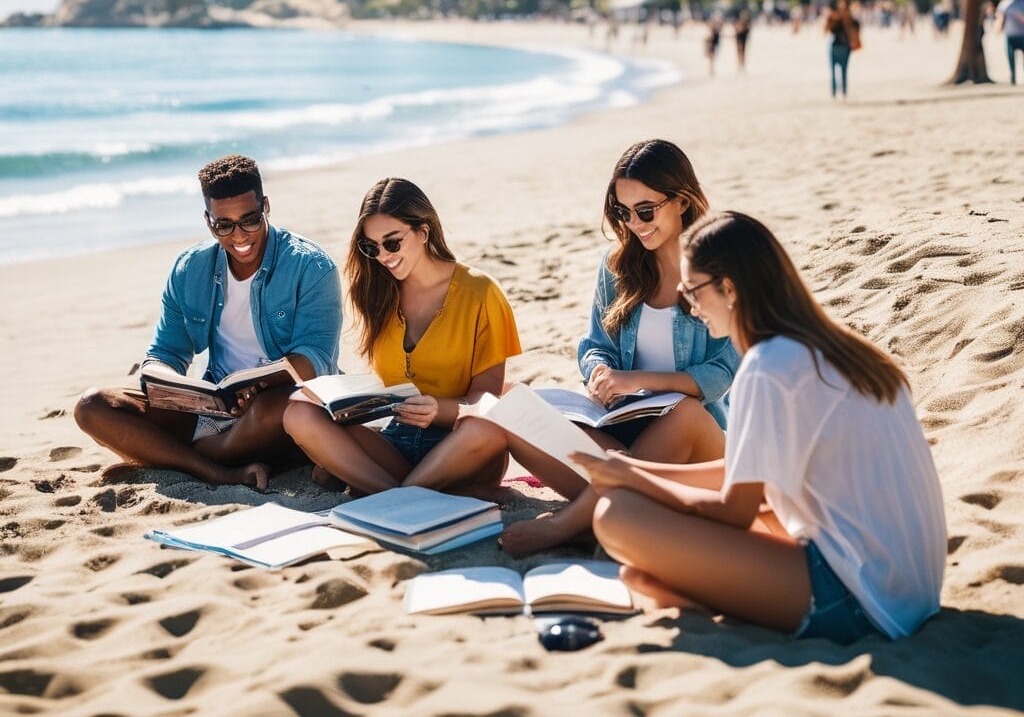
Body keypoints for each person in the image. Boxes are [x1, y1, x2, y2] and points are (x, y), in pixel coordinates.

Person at [575, 211, 946, 644]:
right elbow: (742, 471)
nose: (692, 309)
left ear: (729, 289)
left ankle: (695, 596)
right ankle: (691, 591)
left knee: (618, 516)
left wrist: (634, 480)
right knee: (641, 553)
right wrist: (634, 471)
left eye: (692, 293)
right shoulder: (832, 348)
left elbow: (736, 510)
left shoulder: (769, 366)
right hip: (908, 586)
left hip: (863, 598)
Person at [407, 139, 737, 555]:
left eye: (645, 210)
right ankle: (398, 499)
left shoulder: (721, 266)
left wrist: (636, 380)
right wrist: (600, 373)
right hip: (623, 438)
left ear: (682, 201)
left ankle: (566, 526)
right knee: (509, 406)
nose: (634, 223)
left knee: (684, 414)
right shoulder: (618, 266)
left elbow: (722, 374)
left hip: (695, 453)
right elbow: (594, 345)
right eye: (622, 211)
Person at [74, 155, 342, 490]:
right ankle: (215, 469)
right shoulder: (190, 269)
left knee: (279, 407)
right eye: (224, 225)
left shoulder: (311, 267)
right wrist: (167, 384)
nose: (239, 236)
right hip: (214, 409)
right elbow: (165, 352)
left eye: (249, 220)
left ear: (266, 207)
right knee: (93, 407)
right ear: (208, 221)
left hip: (276, 407)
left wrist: (257, 386)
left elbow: (316, 360)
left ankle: (173, 455)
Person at [283, 177, 522, 496]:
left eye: (392, 242)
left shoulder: (481, 293)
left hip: (461, 446)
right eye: (371, 247)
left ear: (423, 231)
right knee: (298, 412)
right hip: (396, 441)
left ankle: (390, 493)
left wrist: (438, 408)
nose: (383, 256)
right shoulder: (376, 293)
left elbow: (484, 400)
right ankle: (401, 495)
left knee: (489, 426)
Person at [824, 0, 853, 99]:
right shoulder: (848, 17)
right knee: (843, 71)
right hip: (844, 46)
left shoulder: (833, 17)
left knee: (835, 71)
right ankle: (841, 91)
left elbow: (825, 31)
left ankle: (836, 92)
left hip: (836, 46)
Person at [997, 0, 1024, 84]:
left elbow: (1001, 18)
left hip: (1010, 34)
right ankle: (1013, 76)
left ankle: (1013, 76)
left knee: (1011, 57)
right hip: (1021, 34)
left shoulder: (1005, 3)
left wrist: (998, 29)